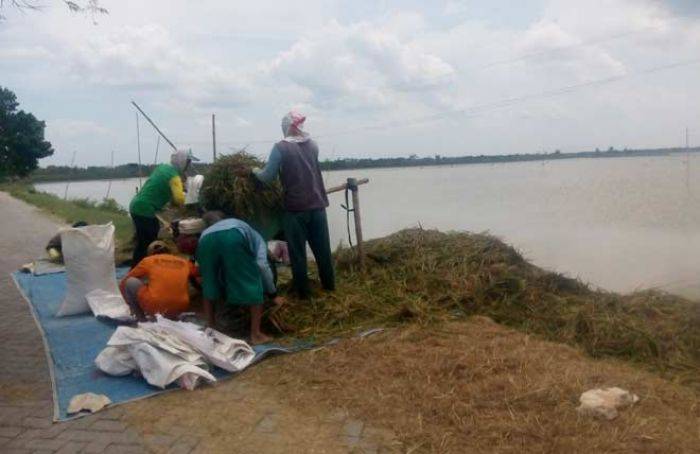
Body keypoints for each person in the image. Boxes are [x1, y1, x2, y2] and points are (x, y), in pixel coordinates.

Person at [254, 111, 335, 298]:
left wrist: (254, 170)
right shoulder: (313, 145)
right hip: (318, 206)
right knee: (322, 250)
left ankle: (303, 294)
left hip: (295, 209)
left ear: (287, 128)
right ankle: (330, 287)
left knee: (298, 254)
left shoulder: (280, 148)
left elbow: (267, 177)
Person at [196, 211, 283, 344]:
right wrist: (273, 294)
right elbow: (262, 265)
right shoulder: (254, 234)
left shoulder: (205, 233)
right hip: (233, 236)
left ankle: (211, 328)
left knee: (209, 283)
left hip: (205, 242)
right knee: (252, 283)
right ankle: (256, 334)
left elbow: (204, 271)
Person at [128, 150, 199, 266]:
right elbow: (179, 199)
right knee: (149, 242)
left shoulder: (163, 168)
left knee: (143, 241)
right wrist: (192, 198)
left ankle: (139, 267)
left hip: (136, 205)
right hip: (144, 209)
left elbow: (164, 190)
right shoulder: (174, 176)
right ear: (182, 161)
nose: (188, 166)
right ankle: (141, 268)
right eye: (188, 162)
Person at [119, 241, 197, 321]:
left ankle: (141, 320)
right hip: (181, 306)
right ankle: (171, 316)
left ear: (150, 253)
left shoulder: (148, 260)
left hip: (155, 306)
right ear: (169, 251)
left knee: (131, 282)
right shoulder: (184, 262)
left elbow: (124, 282)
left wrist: (128, 303)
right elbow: (199, 273)